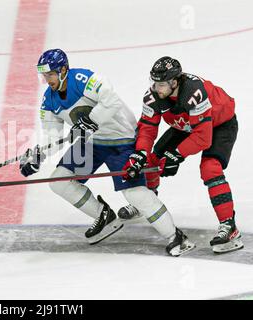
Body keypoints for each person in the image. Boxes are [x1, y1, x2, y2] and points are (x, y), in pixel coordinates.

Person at [19, 49, 195, 256]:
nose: (47, 79)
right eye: (44, 75)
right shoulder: (49, 100)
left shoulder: (83, 79)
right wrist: (39, 155)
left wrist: (92, 121)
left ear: (63, 70)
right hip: (92, 144)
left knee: (135, 194)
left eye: (50, 74)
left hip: (123, 140)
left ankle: (175, 237)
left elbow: (110, 99)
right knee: (59, 181)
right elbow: (52, 135)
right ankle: (104, 216)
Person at [122, 56, 243, 254]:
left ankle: (230, 228)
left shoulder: (194, 92)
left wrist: (176, 155)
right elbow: (146, 129)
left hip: (220, 124)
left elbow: (203, 138)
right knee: (152, 161)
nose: (155, 88)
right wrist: (140, 154)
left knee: (210, 168)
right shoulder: (154, 96)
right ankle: (148, 201)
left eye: (160, 84)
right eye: (154, 82)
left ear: (174, 82)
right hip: (186, 124)